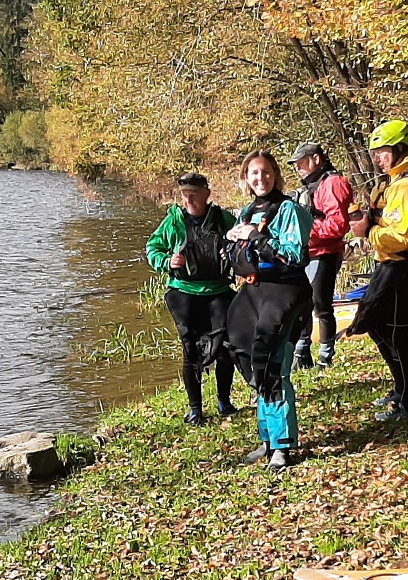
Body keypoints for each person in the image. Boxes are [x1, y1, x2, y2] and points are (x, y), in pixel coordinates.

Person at [344, 119, 408, 422]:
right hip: (394, 264)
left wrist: (367, 231)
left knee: (395, 332)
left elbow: (400, 237)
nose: (378, 158)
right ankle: (401, 390)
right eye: (375, 152)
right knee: (375, 324)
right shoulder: (400, 180)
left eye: (383, 151)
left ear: (400, 149)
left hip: (404, 266)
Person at [225, 150, 313, 471]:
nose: (260, 178)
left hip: (285, 292)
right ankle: (267, 438)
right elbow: (239, 257)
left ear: (275, 174)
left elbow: (293, 254)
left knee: (274, 366)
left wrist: (255, 236)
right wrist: (232, 243)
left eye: (265, 172)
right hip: (256, 292)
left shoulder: (287, 208)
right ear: (245, 178)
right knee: (247, 357)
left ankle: (282, 446)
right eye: (253, 173)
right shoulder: (247, 211)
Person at [145, 172, 239, 425]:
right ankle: (195, 409)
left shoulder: (223, 219)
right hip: (184, 291)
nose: (189, 202)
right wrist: (167, 261)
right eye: (185, 197)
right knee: (191, 350)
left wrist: (235, 256)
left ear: (207, 194)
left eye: (194, 196)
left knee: (223, 348)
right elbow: (152, 248)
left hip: (219, 291)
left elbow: (242, 243)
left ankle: (224, 401)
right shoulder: (173, 221)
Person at [290, 141, 352, 371]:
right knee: (301, 303)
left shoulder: (333, 183)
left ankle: (325, 357)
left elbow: (337, 225)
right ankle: (302, 353)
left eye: (301, 162)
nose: (297, 167)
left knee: (320, 304)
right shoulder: (311, 186)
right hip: (307, 253)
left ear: (316, 159)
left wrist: (305, 233)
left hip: (325, 253)